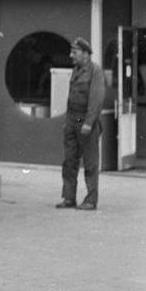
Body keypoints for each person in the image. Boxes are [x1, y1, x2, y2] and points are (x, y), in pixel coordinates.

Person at [57, 37, 104, 210]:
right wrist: (67, 122)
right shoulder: (76, 70)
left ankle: (91, 200)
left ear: (85, 54)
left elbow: (96, 99)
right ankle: (69, 198)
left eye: (74, 52)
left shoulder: (95, 71)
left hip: (85, 121)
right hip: (72, 120)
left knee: (90, 163)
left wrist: (89, 123)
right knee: (69, 162)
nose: (71, 55)